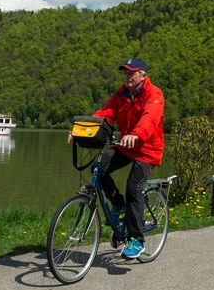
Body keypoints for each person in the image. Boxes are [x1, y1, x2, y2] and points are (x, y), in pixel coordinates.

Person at [70, 57, 165, 259]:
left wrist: (136, 134)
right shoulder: (121, 94)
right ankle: (118, 204)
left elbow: (150, 117)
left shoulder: (154, 94)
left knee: (133, 187)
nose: (127, 77)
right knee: (99, 168)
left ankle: (136, 240)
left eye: (131, 73)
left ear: (143, 75)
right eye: (125, 73)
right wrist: (80, 131)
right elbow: (105, 114)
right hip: (126, 145)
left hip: (148, 148)